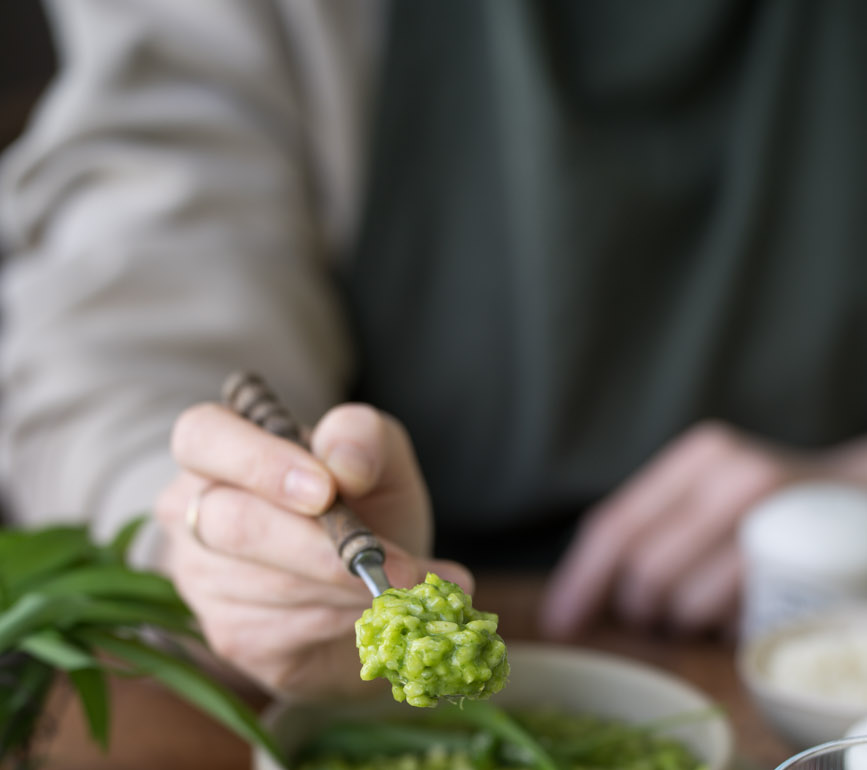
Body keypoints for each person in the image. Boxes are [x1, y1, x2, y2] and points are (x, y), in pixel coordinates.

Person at [1, 0, 866, 698]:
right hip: (340, 664)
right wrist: (217, 544)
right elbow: (122, 312)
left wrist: (847, 499)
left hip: (812, 640)